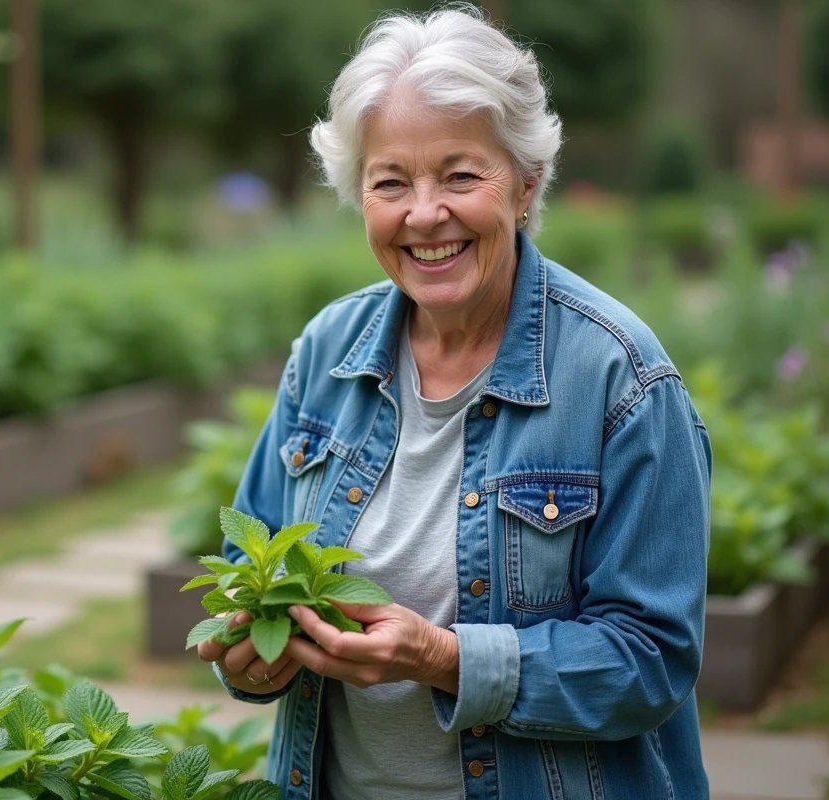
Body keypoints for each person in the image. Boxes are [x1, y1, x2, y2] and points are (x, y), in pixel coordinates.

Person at [196, 5, 713, 800]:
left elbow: (649, 660)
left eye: (461, 175)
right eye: (390, 181)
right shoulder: (325, 353)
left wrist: (443, 657)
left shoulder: (622, 379)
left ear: (526, 184)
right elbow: (250, 563)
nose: (424, 213)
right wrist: (252, 654)